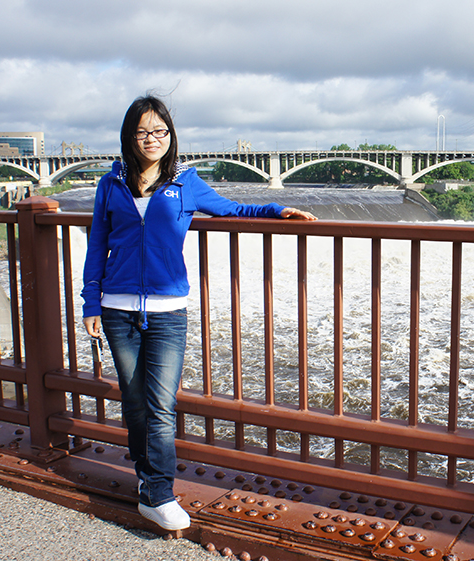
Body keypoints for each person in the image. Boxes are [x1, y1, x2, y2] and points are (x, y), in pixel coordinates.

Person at [81, 94, 316, 531]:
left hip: (169, 310)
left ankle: (158, 494)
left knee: (160, 404)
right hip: (116, 308)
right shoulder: (109, 184)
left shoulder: (186, 183)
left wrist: (276, 210)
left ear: (170, 136)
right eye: (143, 132)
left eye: (160, 131)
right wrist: (90, 302)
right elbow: (98, 244)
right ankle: (148, 482)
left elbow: (234, 209)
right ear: (129, 137)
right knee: (134, 403)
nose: (152, 139)